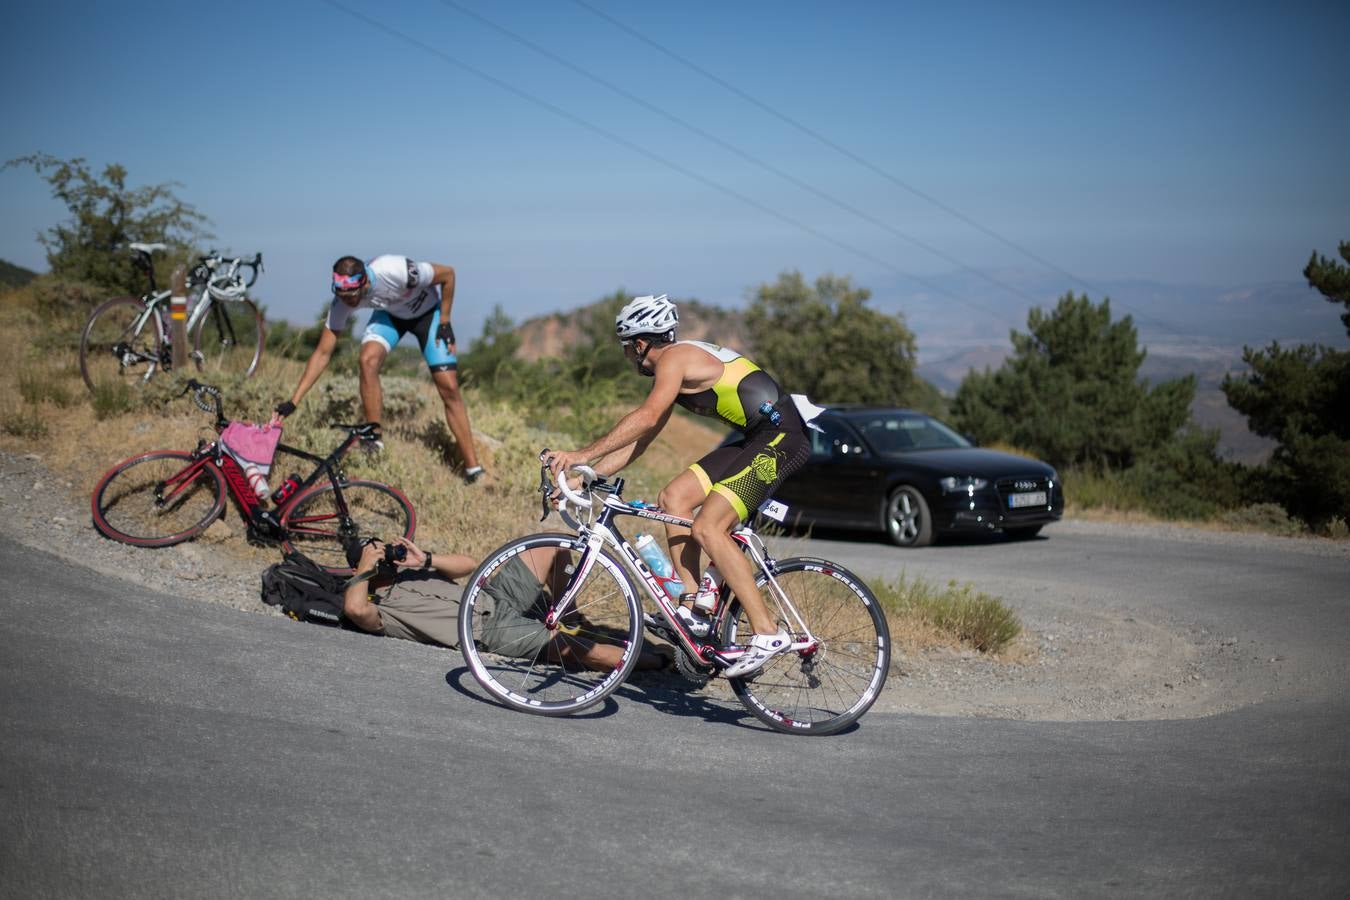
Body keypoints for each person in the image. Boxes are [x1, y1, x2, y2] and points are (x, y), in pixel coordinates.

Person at [547, 294, 814, 678]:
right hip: (757, 437)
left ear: (639, 344)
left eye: (627, 349)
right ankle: (694, 607)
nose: (627, 356)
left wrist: (581, 454)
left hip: (782, 438)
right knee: (674, 498)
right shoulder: (676, 368)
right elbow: (643, 438)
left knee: (709, 527)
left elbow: (645, 416)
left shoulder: (672, 359)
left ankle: (767, 632)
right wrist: (585, 477)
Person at [272, 255, 484, 483]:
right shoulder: (343, 299)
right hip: (391, 316)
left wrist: (444, 320)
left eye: (352, 296)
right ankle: (375, 440)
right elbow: (322, 353)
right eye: (342, 295)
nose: (348, 302)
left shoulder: (395, 270)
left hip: (428, 314)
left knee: (449, 388)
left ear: (363, 282)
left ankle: (473, 470)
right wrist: (294, 401)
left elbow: (448, 274)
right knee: (367, 361)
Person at [344, 536, 670, 671]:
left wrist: (424, 558)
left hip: (494, 594)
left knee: (551, 547)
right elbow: (356, 611)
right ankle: (659, 662)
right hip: (492, 629)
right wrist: (363, 571)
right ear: (361, 569)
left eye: (383, 550)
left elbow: (469, 565)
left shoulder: (408, 574)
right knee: (579, 649)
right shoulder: (381, 609)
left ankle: (567, 611)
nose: (385, 557)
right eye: (376, 557)